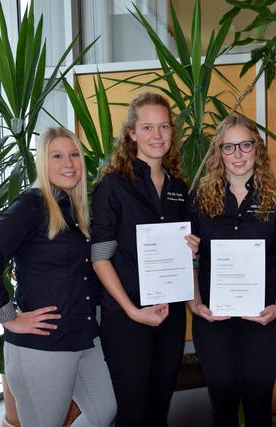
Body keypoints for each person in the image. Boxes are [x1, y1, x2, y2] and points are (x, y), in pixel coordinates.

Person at [0, 127, 116, 427]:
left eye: (74, 155)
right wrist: (9, 317)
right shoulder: (31, 205)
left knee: (104, 412)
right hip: (42, 345)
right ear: (42, 163)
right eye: (57, 156)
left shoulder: (76, 209)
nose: (69, 163)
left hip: (83, 335)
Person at [90, 93, 199, 426]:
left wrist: (192, 248)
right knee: (132, 410)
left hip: (169, 314)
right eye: (148, 127)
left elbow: (186, 252)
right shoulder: (113, 186)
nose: (157, 135)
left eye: (164, 126)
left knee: (159, 407)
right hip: (127, 315)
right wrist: (132, 310)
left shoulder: (179, 188)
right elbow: (99, 257)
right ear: (132, 134)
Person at [187, 115, 276, 427]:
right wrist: (194, 304)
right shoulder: (198, 200)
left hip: (264, 319)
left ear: (257, 150)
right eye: (228, 147)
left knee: (258, 404)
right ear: (218, 153)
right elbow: (191, 261)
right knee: (221, 406)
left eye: (245, 145)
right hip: (213, 321)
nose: (237, 154)